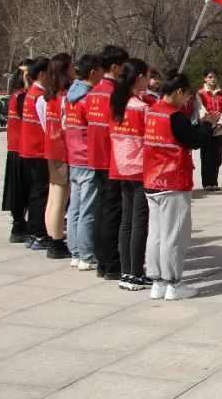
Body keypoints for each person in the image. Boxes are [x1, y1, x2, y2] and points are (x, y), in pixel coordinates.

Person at [144, 72, 217, 300]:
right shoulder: (173, 116)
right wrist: (208, 125)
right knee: (174, 235)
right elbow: (194, 140)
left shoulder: (152, 110)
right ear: (178, 92)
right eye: (186, 96)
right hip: (172, 181)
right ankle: (173, 283)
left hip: (152, 181)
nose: (187, 101)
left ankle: (157, 281)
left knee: (155, 234)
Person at [87, 44, 130, 281]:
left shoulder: (92, 92)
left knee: (102, 208)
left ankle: (102, 260)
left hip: (95, 156)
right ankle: (112, 263)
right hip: (110, 158)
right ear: (114, 67)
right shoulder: (114, 93)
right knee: (113, 211)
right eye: (123, 67)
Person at [110, 58, 152, 291]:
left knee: (126, 222)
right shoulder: (140, 108)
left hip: (120, 168)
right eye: (146, 76)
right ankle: (135, 273)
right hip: (138, 170)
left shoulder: (117, 105)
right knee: (139, 224)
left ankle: (127, 271)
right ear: (139, 79)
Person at [64, 54, 101, 270]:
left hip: (74, 158)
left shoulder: (69, 98)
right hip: (87, 159)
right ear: (93, 73)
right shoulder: (89, 100)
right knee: (87, 210)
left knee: (75, 209)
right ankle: (86, 255)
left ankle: (76, 253)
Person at [42, 53, 74, 259]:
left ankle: (51, 237)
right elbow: (67, 125)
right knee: (60, 199)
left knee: (53, 197)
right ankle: (55, 241)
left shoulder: (50, 95)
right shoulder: (65, 96)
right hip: (63, 150)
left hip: (52, 148)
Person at [18, 56, 51, 250]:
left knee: (35, 193)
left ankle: (33, 231)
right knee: (41, 193)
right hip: (38, 151)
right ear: (42, 74)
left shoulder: (31, 93)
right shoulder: (39, 96)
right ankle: (39, 233)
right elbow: (47, 126)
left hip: (29, 150)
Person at [2, 60, 30, 243]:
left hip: (14, 147)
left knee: (17, 189)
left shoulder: (15, 95)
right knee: (22, 190)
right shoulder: (22, 97)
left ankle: (19, 224)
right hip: (21, 148)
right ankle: (19, 225)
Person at [196, 68, 222, 191]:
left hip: (219, 130)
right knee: (206, 156)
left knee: (217, 156)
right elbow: (201, 110)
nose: (212, 79)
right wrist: (209, 121)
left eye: (214, 76)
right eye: (210, 77)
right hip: (206, 128)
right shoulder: (200, 93)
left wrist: (221, 124)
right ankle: (206, 182)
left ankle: (214, 181)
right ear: (205, 78)